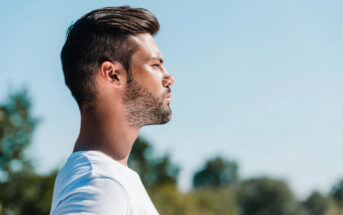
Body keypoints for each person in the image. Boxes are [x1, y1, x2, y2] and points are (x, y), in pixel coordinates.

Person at [50, 6, 175, 215]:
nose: (169, 78)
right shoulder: (99, 180)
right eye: (155, 65)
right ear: (113, 74)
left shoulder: (106, 176)